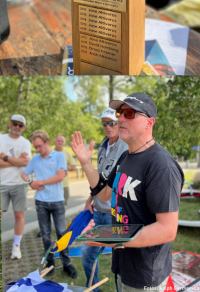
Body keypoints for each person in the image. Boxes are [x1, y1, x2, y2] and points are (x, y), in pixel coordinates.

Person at [70, 93, 183, 292]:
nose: (120, 118)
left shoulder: (161, 166)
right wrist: (86, 164)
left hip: (146, 274)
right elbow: (105, 194)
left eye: (129, 113)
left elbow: (167, 229)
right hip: (123, 265)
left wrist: (112, 237)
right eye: (120, 112)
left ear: (150, 122)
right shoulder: (126, 156)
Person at [80, 108, 129, 292]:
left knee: (120, 261)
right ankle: (93, 289)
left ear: (119, 123)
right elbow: (100, 178)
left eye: (112, 123)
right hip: (98, 211)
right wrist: (90, 198)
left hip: (115, 214)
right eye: (105, 123)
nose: (108, 127)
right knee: (87, 253)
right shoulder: (103, 146)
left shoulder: (126, 146)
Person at [21, 130, 78, 278]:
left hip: (57, 201)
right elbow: (24, 173)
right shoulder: (35, 159)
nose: (38, 149)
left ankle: (67, 263)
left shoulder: (59, 156)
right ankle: (50, 262)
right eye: (36, 147)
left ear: (47, 143)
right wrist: (30, 182)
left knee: (61, 233)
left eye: (40, 146)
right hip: (41, 202)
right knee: (46, 235)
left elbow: (60, 177)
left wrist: (39, 182)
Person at [1, 114, 32, 260]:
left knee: (19, 215)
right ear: (10, 124)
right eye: (15, 124)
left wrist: (5, 157)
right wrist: (18, 160)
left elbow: (26, 163)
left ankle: (16, 246)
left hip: (19, 183)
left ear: (24, 128)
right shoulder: (1, 139)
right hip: (2, 183)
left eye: (20, 125)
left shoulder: (25, 143)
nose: (17, 127)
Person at [54, 135, 77, 205]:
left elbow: (73, 167)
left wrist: (64, 169)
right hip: (51, 185)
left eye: (62, 141)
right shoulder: (49, 153)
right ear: (54, 142)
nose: (60, 143)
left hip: (64, 184)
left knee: (63, 206)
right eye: (58, 141)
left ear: (64, 143)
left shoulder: (67, 154)